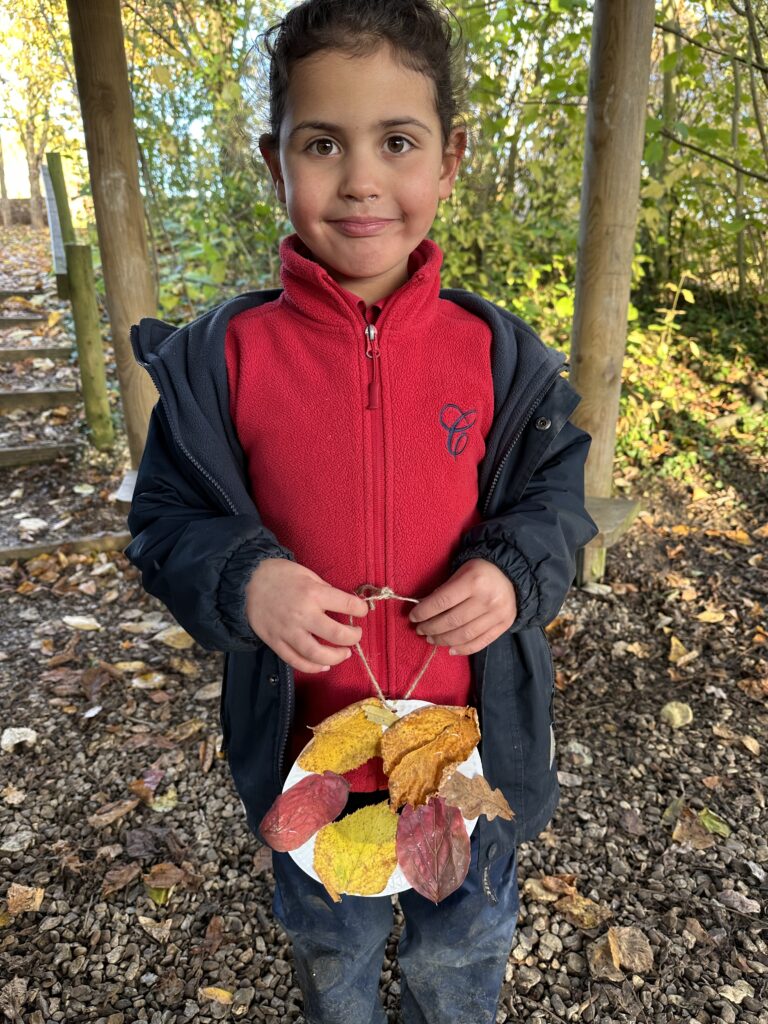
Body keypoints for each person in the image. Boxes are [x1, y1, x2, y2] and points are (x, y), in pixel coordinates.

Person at [125, 1, 599, 1021]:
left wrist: (512, 571)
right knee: (332, 949)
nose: (362, 179)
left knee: (458, 955)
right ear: (274, 161)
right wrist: (247, 576)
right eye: (323, 143)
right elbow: (162, 520)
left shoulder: (500, 357)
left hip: (468, 757)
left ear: (450, 159)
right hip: (313, 755)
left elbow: (558, 501)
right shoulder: (223, 361)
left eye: (396, 141)